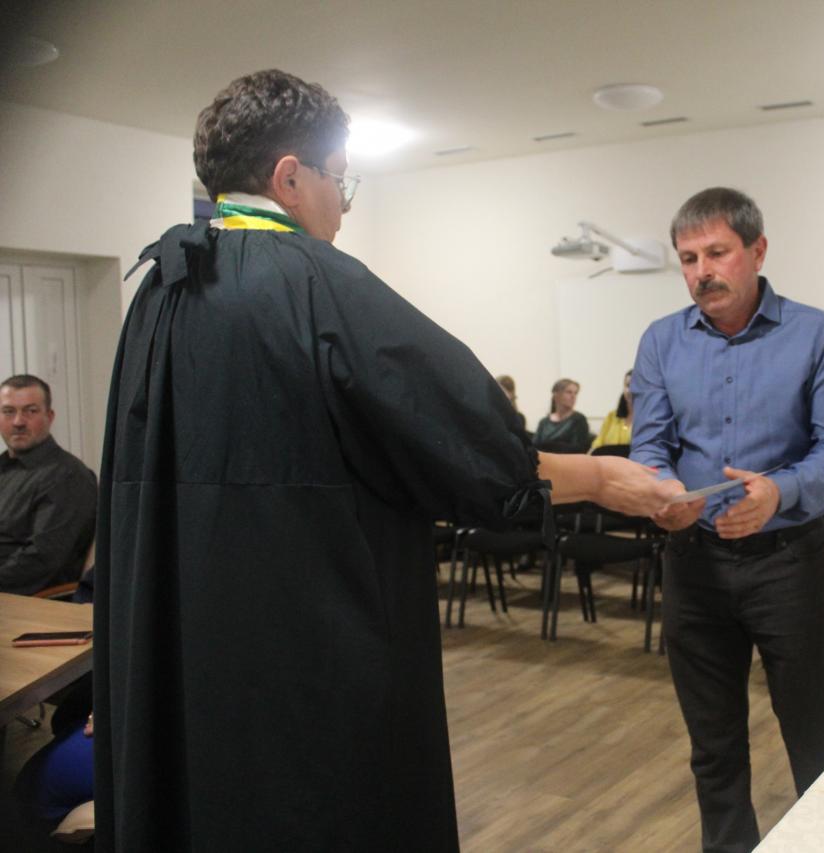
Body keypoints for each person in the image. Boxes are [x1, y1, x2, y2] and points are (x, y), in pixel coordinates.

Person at [93, 69, 671, 853]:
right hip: (306, 659)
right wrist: (600, 476)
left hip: (190, 655)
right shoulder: (320, 285)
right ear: (289, 178)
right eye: (339, 178)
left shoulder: (159, 292)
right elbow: (474, 447)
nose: (345, 202)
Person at [631, 187, 824, 852]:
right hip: (693, 563)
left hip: (785, 561)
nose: (702, 271)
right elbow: (650, 446)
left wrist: (778, 493)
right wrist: (663, 490)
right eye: (688, 258)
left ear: (757, 251)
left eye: (717, 253)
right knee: (713, 746)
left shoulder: (814, 332)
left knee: (816, 733)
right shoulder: (661, 341)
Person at [0, 375, 97, 595]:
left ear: (50, 416)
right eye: (8, 411)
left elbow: (42, 560)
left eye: (30, 411)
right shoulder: (4, 469)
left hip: (27, 601)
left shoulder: (69, 476)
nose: (18, 422)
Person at [533, 378, 592, 453]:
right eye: (569, 392)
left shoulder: (579, 420)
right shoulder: (544, 422)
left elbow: (579, 449)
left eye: (575, 393)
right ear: (556, 395)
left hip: (567, 459)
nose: (573, 396)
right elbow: (534, 446)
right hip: (544, 458)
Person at [590, 370, 634, 451]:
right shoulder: (611, 416)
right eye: (628, 385)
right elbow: (598, 443)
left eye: (635, 386)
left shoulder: (648, 418)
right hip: (607, 458)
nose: (631, 390)